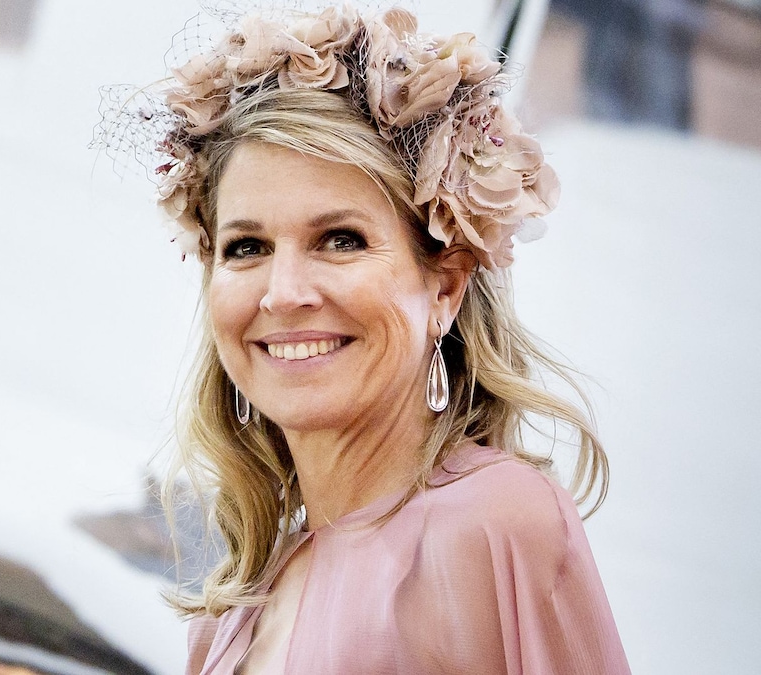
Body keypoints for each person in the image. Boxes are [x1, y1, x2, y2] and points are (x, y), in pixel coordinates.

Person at [98, 4, 631, 673]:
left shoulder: (493, 522)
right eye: (247, 247)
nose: (283, 292)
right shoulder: (236, 605)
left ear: (445, 287)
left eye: (340, 239)